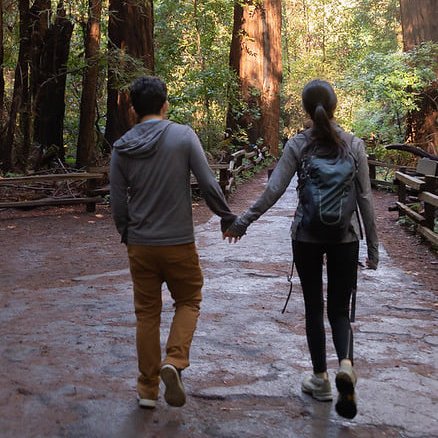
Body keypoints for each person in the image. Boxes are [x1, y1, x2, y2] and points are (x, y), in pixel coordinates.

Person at [224, 79, 379, 419]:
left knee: (313, 307)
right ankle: (347, 365)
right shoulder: (354, 145)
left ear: (308, 110)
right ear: (335, 106)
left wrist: (243, 221)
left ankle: (321, 379)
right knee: (339, 310)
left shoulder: (299, 144)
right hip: (346, 238)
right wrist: (373, 249)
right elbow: (366, 198)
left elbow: (274, 189)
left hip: (306, 236)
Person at [110, 76, 236, 409]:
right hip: (179, 241)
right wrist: (226, 216)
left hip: (140, 243)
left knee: (147, 315)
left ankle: (147, 390)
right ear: (165, 104)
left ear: (133, 109)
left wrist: (127, 233)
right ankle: (175, 361)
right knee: (190, 298)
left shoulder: (122, 148)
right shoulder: (183, 137)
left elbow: (118, 201)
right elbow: (208, 184)